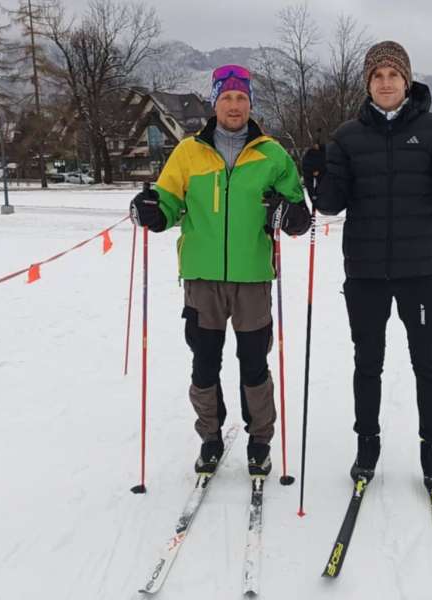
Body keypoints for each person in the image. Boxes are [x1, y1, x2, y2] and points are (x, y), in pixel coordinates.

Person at [302, 41, 432, 490]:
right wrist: (315, 177)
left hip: (420, 272)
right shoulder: (347, 136)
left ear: (406, 80)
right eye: (377, 76)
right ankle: (367, 443)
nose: (385, 83)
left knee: (428, 364)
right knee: (367, 363)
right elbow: (329, 205)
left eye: (392, 75)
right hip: (365, 273)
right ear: (367, 83)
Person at [130, 64, 311, 477]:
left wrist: (290, 214)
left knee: (253, 363)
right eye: (227, 97)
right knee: (205, 362)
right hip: (202, 278)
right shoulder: (189, 152)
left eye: (241, 98)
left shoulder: (272, 154)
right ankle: (210, 438)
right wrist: (152, 212)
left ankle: (259, 440)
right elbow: (169, 202)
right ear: (215, 102)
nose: (234, 105)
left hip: (252, 278)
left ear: (250, 103)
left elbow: (296, 208)